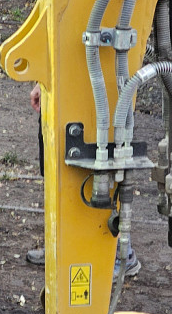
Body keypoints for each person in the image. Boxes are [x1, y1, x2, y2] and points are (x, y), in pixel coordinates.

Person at [25, 83, 141, 275]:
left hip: (105, 84)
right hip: (65, 85)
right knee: (59, 165)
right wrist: (43, 82)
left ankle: (121, 253)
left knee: (107, 159)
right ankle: (63, 247)